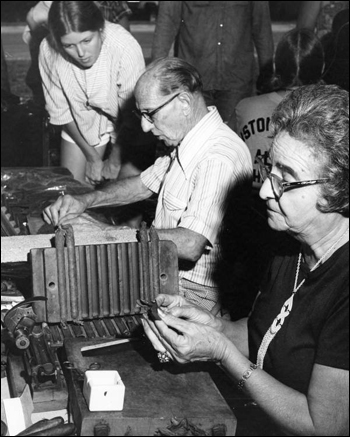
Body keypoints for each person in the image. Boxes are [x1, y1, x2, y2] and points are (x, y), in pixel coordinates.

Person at [142, 84, 349, 436]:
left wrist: (222, 353)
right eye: (270, 172)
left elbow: (323, 426)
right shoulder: (291, 245)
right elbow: (266, 335)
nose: (266, 190)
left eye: (286, 181)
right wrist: (211, 326)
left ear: (338, 192)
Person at [42, 57, 253, 312]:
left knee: (77, 301)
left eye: (150, 114)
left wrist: (106, 235)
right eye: (141, 115)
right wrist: (84, 201)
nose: (144, 126)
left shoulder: (218, 157)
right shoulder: (188, 141)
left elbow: (190, 243)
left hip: (194, 294)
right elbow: (142, 185)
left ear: (184, 102)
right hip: (166, 275)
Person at [38, 1, 150, 186]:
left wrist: (113, 162)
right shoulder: (48, 50)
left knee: (125, 199)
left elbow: (133, 117)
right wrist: (92, 158)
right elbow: (61, 112)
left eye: (86, 41)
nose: (81, 53)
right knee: (73, 190)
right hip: (81, 115)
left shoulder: (124, 47)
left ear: (100, 29)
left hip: (131, 122)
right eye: (69, 46)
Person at [151, 1, 274, 132]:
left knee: (232, 143)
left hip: (237, 83)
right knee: (194, 143)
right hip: (192, 84)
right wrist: (155, 78)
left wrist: (267, 78)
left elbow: (262, 27)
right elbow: (166, 24)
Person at [236, 28, 325, 191]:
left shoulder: (245, 107)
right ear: (322, 67)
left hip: (252, 201)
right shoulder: (332, 113)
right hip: (304, 203)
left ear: (276, 65)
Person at [23, 1, 132, 105]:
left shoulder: (110, 4)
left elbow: (124, 32)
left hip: (107, 66)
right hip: (67, 67)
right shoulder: (51, 8)